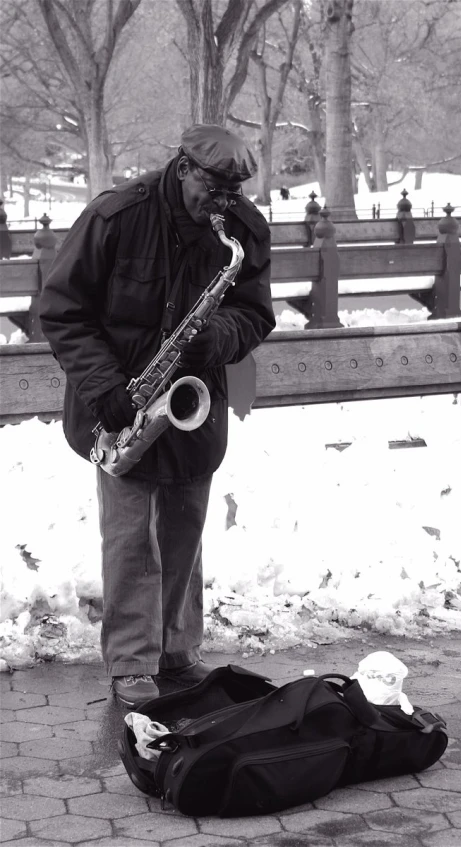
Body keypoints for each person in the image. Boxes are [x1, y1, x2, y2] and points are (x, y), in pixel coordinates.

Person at [39, 124, 275, 707]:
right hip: (120, 405)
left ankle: (176, 652)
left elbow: (255, 314)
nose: (222, 206)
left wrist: (215, 338)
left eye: (232, 195)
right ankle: (132, 662)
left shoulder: (240, 230)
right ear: (184, 168)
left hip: (194, 400)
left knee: (184, 534)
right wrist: (107, 388)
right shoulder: (116, 216)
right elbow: (61, 310)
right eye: (213, 192)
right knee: (130, 540)